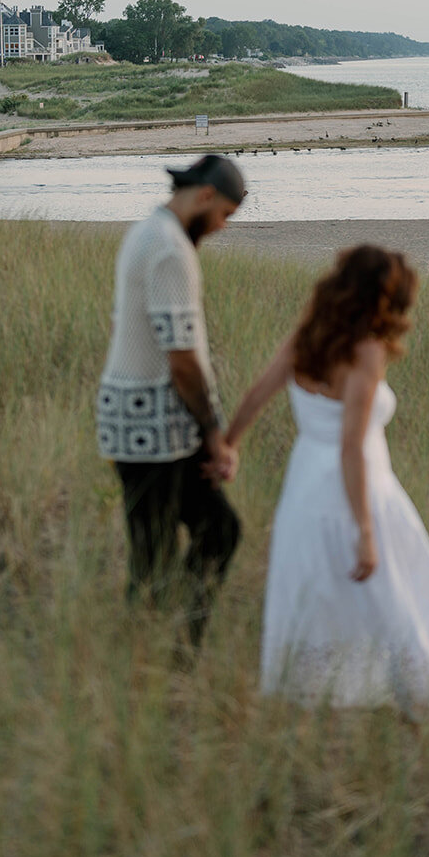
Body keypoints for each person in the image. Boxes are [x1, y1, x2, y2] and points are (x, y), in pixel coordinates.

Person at [225, 245, 429, 717]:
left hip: (303, 492)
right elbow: (350, 446)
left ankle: (312, 726)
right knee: (398, 610)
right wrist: (364, 530)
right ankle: (426, 738)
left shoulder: (309, 335)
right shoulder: (367, 350)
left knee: (318, 610)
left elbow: (258, 392)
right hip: (361, 493)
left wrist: (230, 443)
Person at [97, 154, 246, 647]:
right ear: (204, 196)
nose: (223, 227)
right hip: (150, 428)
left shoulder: (144, 233)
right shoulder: (170, 250)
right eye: (224, 214)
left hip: (143, 421)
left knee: (210, 533)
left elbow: (124, 328)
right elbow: (182, 360)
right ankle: (165, 658)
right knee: (162, 556)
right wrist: (214, 434)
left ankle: (174, 647)